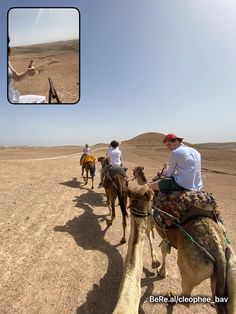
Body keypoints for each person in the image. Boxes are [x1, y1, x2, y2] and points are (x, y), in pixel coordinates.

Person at [8, 36, 46, 104]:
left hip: (14, 98)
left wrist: (27, 73)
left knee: (43, 100)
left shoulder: (6, 61)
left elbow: (17, 77)